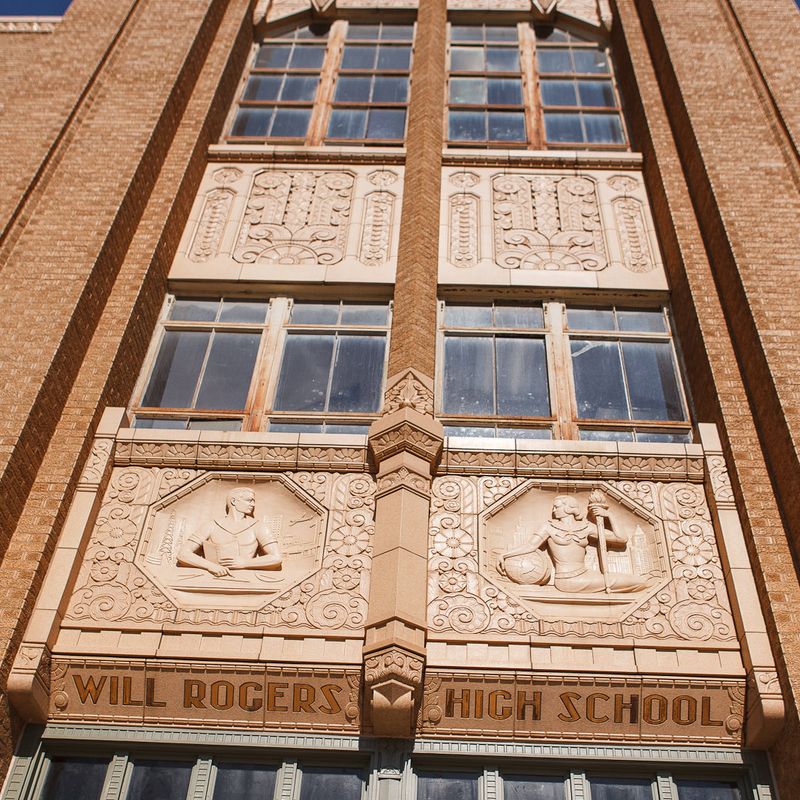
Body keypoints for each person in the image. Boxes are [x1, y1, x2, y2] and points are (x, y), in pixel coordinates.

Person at [497, 494, 649, 593]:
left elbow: (621, 539)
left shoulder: (586, 527)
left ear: (568, 508)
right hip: (567, 580)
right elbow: (530, 546)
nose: (554, 509)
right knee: (638, 583)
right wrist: (505, 555)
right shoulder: (548, 526)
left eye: (557, 506)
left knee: (640, 582)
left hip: (587, 575)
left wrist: (608, 515)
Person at [177, 487, 282, 577]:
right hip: (213, 578)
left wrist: (245, 563)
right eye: (249, 500)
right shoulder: (211, 525)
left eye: (253, 501)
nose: (253, 504)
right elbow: (183, 553)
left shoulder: (258, 526)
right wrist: (211, 566)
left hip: (246, 579)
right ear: (233, 501)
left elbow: (276, 557)